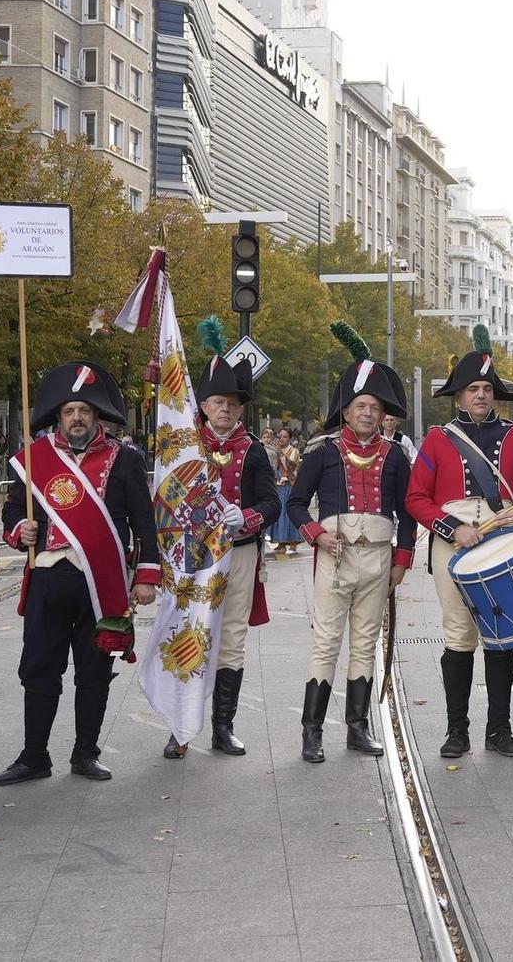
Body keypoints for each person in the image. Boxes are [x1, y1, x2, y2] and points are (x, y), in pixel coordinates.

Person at [0, 361, 161, 786]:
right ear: (59, 417)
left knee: (95, 668)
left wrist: (146, 575)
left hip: (103, 582)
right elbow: (12, 510)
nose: (77, 418)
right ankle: (34, 756)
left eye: (85, 410)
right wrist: (19, 529)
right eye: (69, 411)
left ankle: (86, 752)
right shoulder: (35, 460)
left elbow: (144, 522)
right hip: (49, 577)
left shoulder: (125, 459)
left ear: (98, 416)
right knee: (39, 668)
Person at [405, 326, 513, 758]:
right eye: (473, 389)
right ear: (459, 396)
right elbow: (416, 498)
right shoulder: (437, 439)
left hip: (502, 542)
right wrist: (453, 528)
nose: (482, 396)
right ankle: (457, 731)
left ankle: (499, 730)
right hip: (453, 545)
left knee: (501, 637)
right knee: (458, 637)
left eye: (487, 389)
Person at [288, 323, 412, 763]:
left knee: (365, 643)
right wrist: (318, 535)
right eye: (360, 406)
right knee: (326, 643)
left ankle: (357, 729)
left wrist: (402, 561)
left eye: (374, 408)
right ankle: (312, 731)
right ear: (346, 410)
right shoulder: (321, 451)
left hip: (378, 560)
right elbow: (297, 505)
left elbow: (408, 511)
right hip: (335, 560)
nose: (367, 413)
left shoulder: (396, 455)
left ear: (383, 415)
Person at [178, 347, 280, 759]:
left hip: (238, 554)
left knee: (232, 639)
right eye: (218, 403)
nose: (225, 410)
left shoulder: (254, 449)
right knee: (190, 634)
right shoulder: (183, 447)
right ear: (203, 406)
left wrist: (249, 516)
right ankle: (180, 725)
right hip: (193, 554)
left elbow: (272, 503)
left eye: (232, 404)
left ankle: (223, 726)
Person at [269, 428, 303, 557]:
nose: (281, 439)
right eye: (279, 436)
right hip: (277, 485)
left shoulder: (294, 451)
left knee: (288, 513)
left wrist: (281, 455)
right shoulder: (273, 450)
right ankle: (281, 542)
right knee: (278, 512)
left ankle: (293, 541)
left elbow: (291, 467)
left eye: (284, 437)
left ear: (289, 439)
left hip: (289, 485)